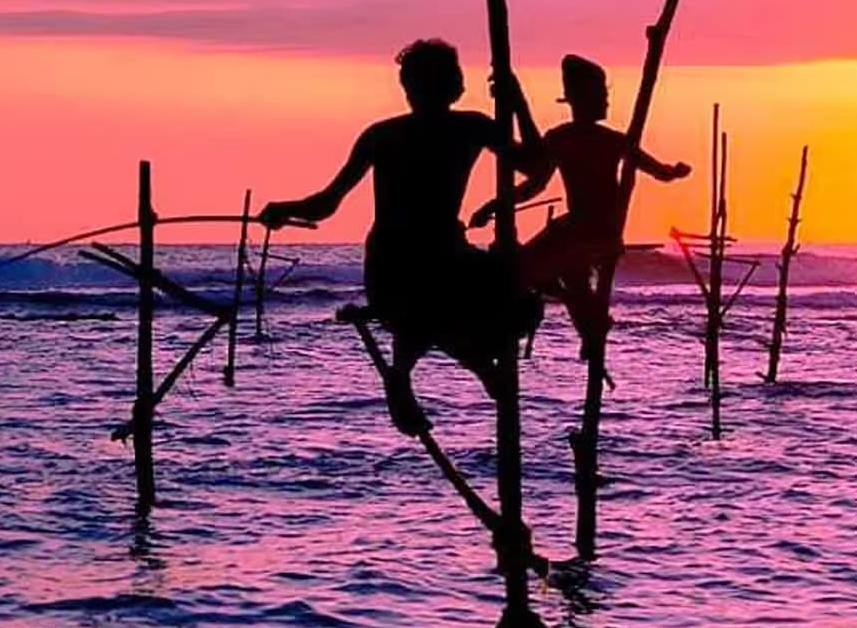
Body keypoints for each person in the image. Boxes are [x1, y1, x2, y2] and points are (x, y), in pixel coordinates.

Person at [257, 38, 547, 437]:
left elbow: (325, 205)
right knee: (446, 299)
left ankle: (443, 368)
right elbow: (537, 166)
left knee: (507, 297)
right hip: (406, 268)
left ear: (408, 87)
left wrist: (283, 209)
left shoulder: (395, 133)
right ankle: (441, 369)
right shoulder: (463, 128)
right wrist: (517, 102)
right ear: (455, 85)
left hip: (423, 262)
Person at [472, 54, 689, 359]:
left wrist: (673, 171)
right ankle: (590, 325)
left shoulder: (591, 139)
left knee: (548, 272)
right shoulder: (583, 139)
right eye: (602, 95)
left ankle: (590, 323)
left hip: (593, 231)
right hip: (584, 230)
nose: (607, 102)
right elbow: (534, 185)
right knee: (556, 274)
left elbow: (534, 186)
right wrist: (495, 205)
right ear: (583, 98)